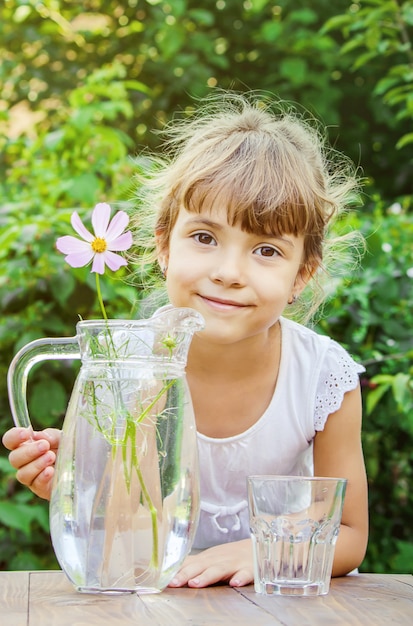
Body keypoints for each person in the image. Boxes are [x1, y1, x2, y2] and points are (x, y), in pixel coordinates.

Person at [2, 91, 368, 589]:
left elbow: (347, 533)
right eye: (204, 237)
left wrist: (261, 551)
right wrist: (87, 476)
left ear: (302, 274)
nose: (228, 272)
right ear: (162, 245)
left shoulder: (323, 376)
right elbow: (124, 545)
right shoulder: (128, 365)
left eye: (265, 250)